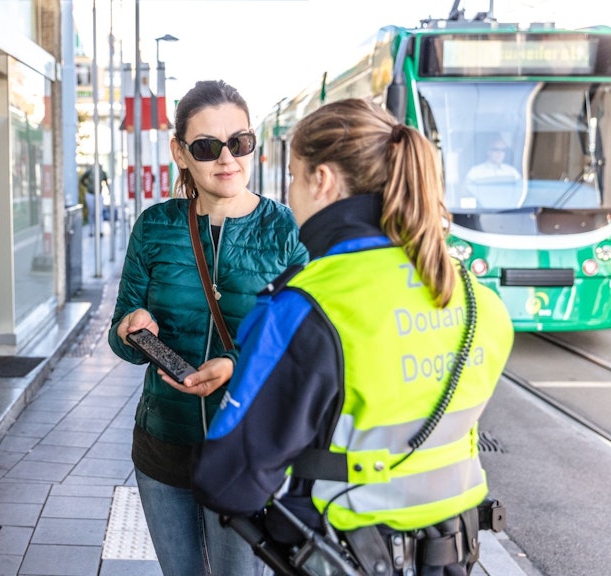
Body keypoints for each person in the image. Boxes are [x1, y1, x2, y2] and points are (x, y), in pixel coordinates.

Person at [191, 98, 515, 575]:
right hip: (453, 552)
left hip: (346, 554)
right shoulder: (474, 296)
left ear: (322, 180)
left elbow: (227, 481)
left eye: (295, 177)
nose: (291, 192)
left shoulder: (307, 306)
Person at [108, 80, 309, 576]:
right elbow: (122, 329)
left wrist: (236, 367)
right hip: (163, 444)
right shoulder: (155, 227)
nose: (227, 158)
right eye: (206, 146)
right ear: (180, 152)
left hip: (247, 449)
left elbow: (308, 345)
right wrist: (131, 331)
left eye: (239, 143)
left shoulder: (284, 230)